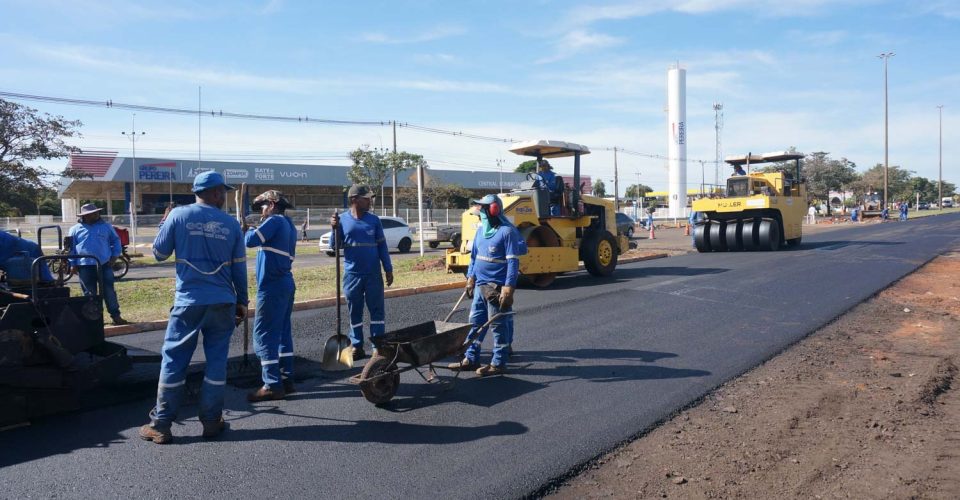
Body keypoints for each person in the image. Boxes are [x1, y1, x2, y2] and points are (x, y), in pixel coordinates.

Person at [139, 171, 248, 444]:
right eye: (222, 191)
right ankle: (211, 421)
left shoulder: (178, 216)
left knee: (175, 360)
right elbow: (239, 268)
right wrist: (243, 301)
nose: (224, 196)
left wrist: (165, 224)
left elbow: (159, 253)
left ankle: (161, 425)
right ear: (214, 193)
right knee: (217, 362)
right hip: (223, 301)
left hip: (189, 302)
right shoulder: (231, 225)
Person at [447, 194, 527, 377]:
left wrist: (508, 287)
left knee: (498, 326)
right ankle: (470, 358)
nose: (480, 211)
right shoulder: (481, 231)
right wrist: (470, 278)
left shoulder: (506, 232)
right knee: (475, 323)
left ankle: (498, 363)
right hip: (479, 286)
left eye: (484, 208)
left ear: (493, 209)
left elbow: (513, 263)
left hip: (496, 288)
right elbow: (474, 257)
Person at [329, 185, 394, 361]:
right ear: (354, 200)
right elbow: (334, 247)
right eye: (366, 198)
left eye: (370, 198)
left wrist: (388, 268)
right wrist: (333, 229)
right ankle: (357, 346)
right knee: (354, 313)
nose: (370, 201)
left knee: (377, 313)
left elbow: (382, 246)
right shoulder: (341, 220)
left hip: (373, 274)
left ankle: (377, 347)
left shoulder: (374, 220)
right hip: (352, 275)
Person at [245, 190, 298, 402]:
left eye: (264, 206)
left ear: (273, 204)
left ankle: (271, 384)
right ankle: (287, 379)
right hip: (285, 283)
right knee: (283, 333)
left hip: (272, 286)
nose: (262, 211)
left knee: (264, 335)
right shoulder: (289, 225)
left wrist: (246, 229)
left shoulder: (274, 221)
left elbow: (250, 241)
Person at [68, 203, 127, 325]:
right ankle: (94, 319)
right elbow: (71, 248)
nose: (96, 215)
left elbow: (116, 240)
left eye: (96, 213)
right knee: (89, 294)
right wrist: (72, 264)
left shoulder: (106, 227)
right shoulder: (74, 229)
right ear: (85, 216)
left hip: (104, 264)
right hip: (84, 266)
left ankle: (116, 316)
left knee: (109, 291)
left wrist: (115, 256)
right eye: (92, 214)